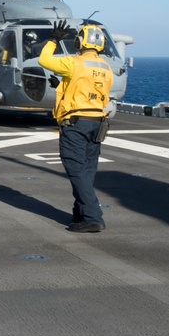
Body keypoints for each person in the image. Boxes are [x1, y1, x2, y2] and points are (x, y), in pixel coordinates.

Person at [38, 23, 114, 233]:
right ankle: (81, 213)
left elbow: (43, 60)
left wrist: (53, 39)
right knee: (87, 170)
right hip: (97, 122)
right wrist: (61, 85)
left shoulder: (74, 62)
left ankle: (92, 217)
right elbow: (89, 90)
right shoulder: (106, 68)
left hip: (76, 124)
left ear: (80, 41)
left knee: (75, 168)